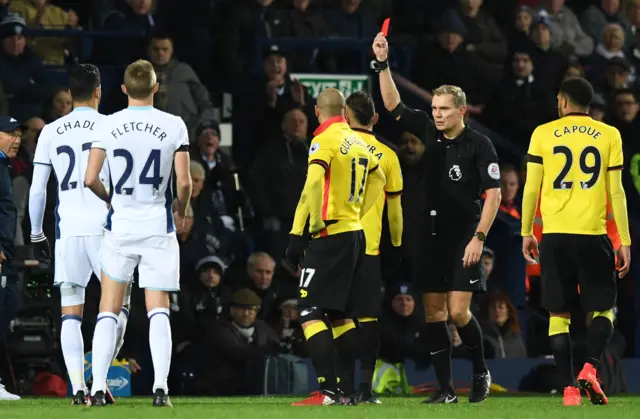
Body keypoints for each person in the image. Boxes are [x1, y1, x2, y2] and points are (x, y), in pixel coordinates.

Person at [372, 32, 501, 404]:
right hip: (428, 237)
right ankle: (445, 389)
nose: (437, 115)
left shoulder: (480, 145)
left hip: (464, 236)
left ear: (462, 111)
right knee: (433, 313)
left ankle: (479, 368)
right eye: (434, 109)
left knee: (458, 312)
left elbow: (493, 195)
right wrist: (382, 63)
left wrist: (479, 237)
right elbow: (393, 103)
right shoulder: (427, 131)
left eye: (444, 109)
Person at [84, 60, 192, 408]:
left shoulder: (108, 124)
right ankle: (161, 388)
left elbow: (90, 178)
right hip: (157, 228)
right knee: (158, 308)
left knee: (108, 309)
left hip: (120, 227)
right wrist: (182, 208)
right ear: (156, 87)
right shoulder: (173, 124)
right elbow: (185, 182)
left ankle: (98, 387)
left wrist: (110, 198)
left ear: (124, 89)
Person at [521, 76, 631, 407]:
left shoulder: (542, 133)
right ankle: (589, 368)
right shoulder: (610, 134)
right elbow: (616, 192)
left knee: (559, 314)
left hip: (554, 237)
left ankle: (569, 389)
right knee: (605, 309)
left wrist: (527, 231)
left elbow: (530, 188)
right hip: (593, 235)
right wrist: (623, 239)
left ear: (564, 101)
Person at [27, 64, 130, 405]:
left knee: (70, 312)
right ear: (99, 91)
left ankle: (79, 389)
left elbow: (38, 189)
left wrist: (37, 233)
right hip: (106, 228)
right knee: (115, 308)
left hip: (68, 231)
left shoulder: (51, 131)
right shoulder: (113, 126)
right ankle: (99, 383)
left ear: (70, 95)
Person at [284, 88, 386, 406]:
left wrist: (313, 224)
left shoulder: (323, 140)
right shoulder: (358, 140)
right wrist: (357, 210)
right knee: (339, 316)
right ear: (343, 110)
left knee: (310, 310)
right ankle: (349, 390)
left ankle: (329, 391)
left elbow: (313, 184)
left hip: (331, 235)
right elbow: (378, 176)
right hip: (355, 233)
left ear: (317, 111)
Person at [344, 91, 403, 404]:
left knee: (333, 317)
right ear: (375, 119)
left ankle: (337, 389)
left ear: (345, 116)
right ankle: (365, 390)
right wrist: (396, 243)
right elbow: (395, 212)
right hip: (368, 248)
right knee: (367, 318)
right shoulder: (389, 156)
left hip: (335, 242)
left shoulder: (333, 148)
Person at [0, 115, 25, 401]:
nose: (16, 139)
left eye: (18, 134)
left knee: (8, 305)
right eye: (9, 133)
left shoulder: (4, 165)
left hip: (6, 252)